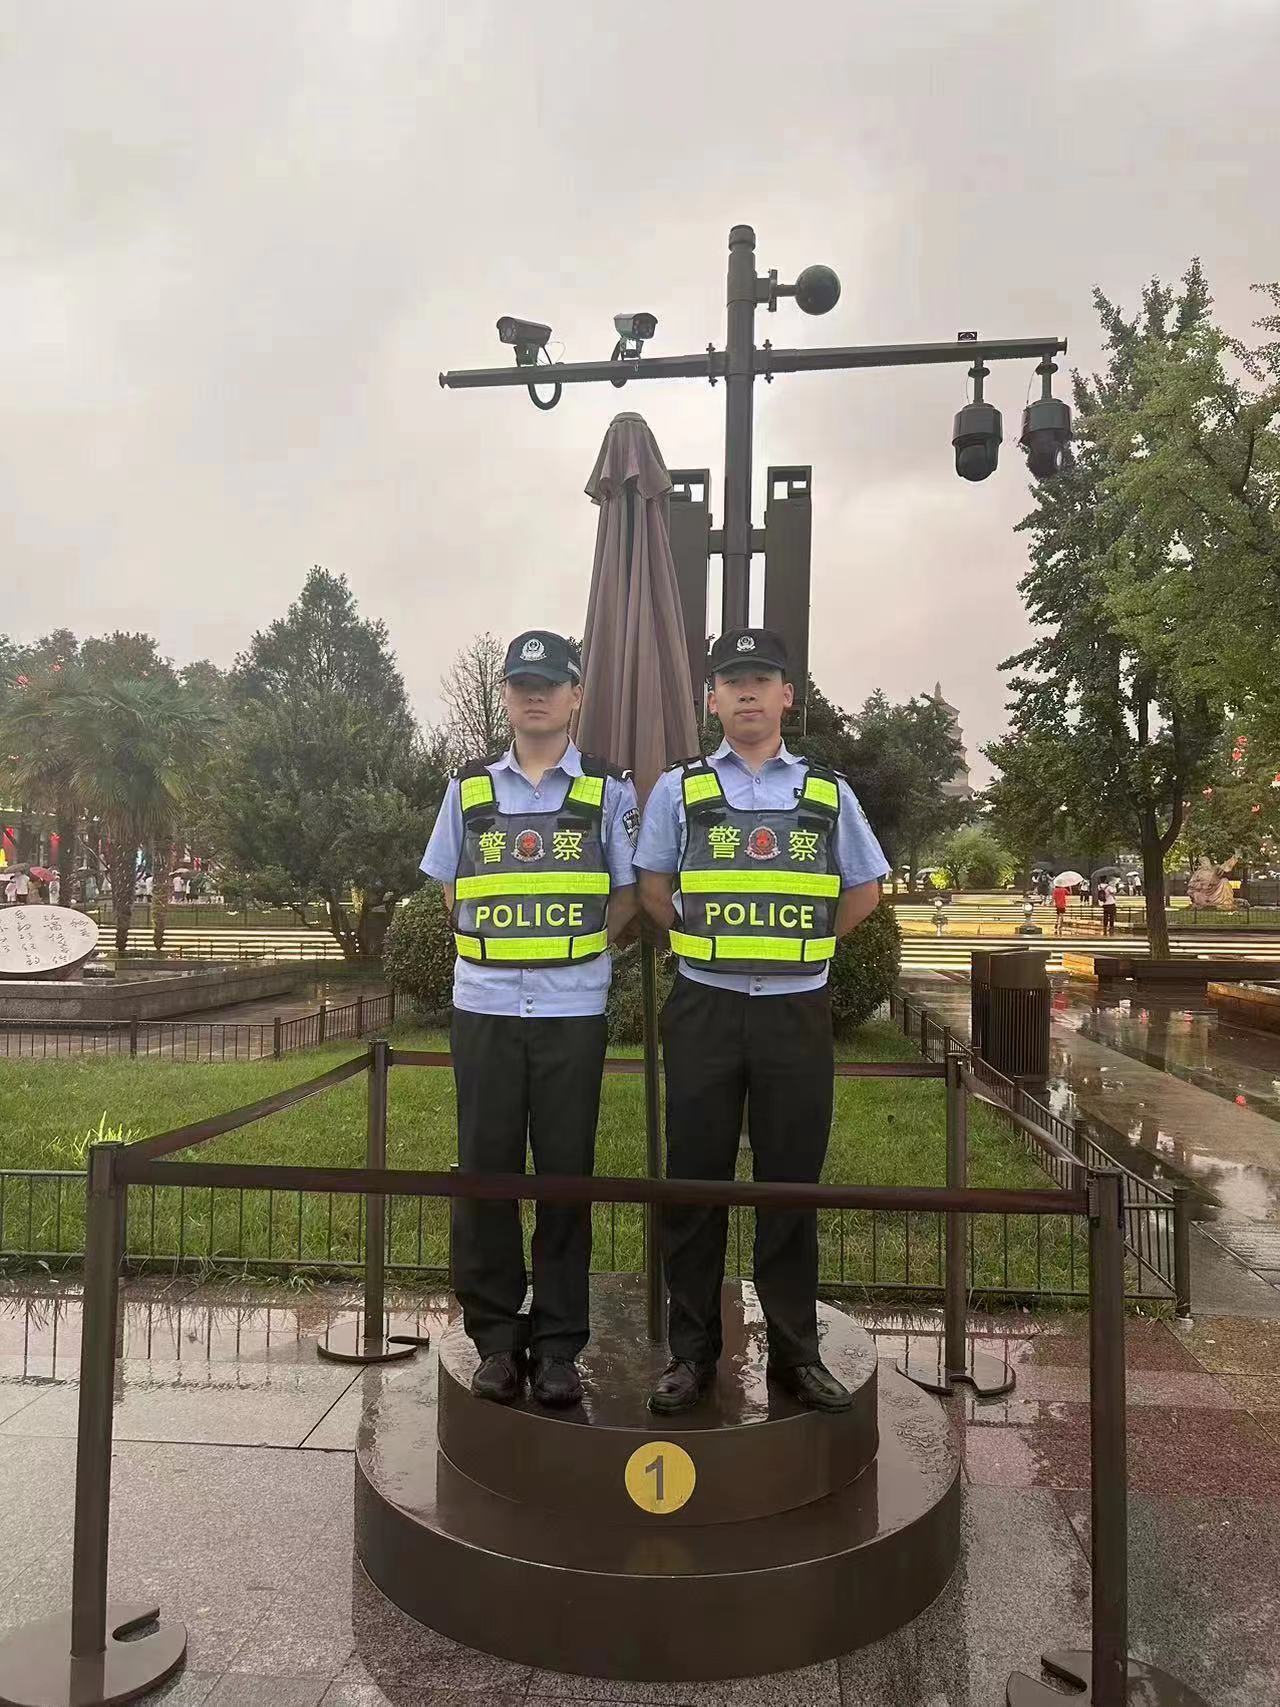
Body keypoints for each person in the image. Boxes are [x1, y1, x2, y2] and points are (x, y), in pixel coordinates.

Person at [635, 628, 887, 1416]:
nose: (747, 691)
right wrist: (703, 940)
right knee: (694, 1184)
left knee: (790, 1185)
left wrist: (803, 944)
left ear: (786, 695)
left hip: (793, 1010)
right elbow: (652, 886)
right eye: (732, 679)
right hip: (705, 1007)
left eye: (761, 678)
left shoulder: (827, 792)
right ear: (712, 698)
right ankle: (691, 1354)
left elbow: (865, 889)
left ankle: (795, 1353)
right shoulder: (678, 790)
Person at [419, 630, 639, 1410]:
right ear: (505, 696)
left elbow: (626, 894)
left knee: (564, 1177)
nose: (534, 695)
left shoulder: (610, 791)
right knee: (485, 1173)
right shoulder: (468, 789)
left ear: (575, 695)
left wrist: (571, 953)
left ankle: (557, 1346)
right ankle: (495, 1339)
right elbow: (451, 887)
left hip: (572, 1008)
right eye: (521, 683)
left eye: (549, 683)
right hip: (484, 1005)